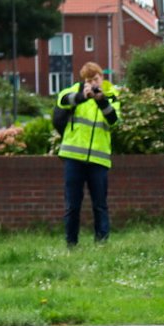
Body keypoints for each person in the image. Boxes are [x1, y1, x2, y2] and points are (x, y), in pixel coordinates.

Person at [55, 62, 121, 247]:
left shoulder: (112, 95)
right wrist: (82, 97)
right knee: (72, 205)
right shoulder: (74, 91)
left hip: (98, 158)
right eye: (88, 80)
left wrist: (101, 100)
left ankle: (101, 243)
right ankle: (71, 243)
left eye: (95, 79)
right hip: (73, 157)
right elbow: (62, 101)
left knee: (100, 204)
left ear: (102, 77)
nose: (92, 83)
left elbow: (114, 122)